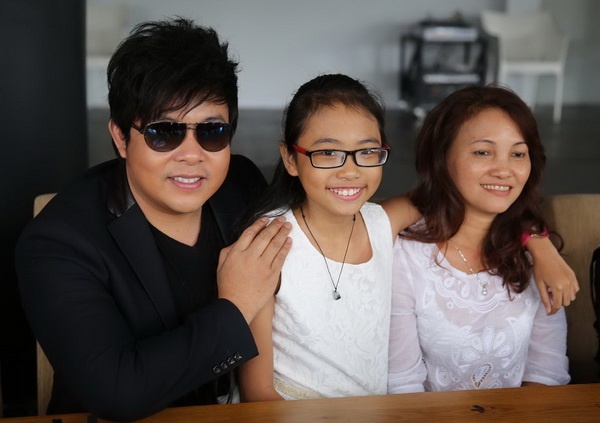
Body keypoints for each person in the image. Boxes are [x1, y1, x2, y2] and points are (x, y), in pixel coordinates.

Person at [15, 18, 291, 421]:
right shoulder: (57, 243)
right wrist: (236, 304)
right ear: (121, 138)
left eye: (212, 132)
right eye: (164, 132)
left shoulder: (241, 184)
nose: (192, 155)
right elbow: (117, 392)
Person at [237, 75, 575, 402]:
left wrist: (538, 243)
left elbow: (476, 197)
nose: (350, 170)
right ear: (290, 158)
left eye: (367, 151)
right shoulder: (269, 245)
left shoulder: (379, 223)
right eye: (327, 153)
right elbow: (258, 392)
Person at [387, 85, 571, 394]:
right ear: (441, 157)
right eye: (483, 152)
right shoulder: (404, 257)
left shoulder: (535, 257)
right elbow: (402, 385)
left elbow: (547, 374)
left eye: (518, 154)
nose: (504, 170)